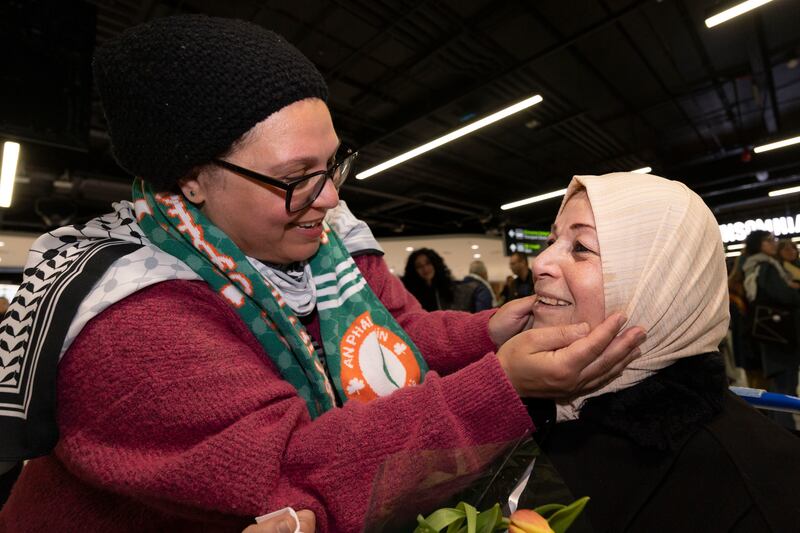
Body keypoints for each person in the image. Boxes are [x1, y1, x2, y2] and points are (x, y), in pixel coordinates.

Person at [0, 16, 645, 532]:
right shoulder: (128, 323)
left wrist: (488, 334)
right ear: (191, 179)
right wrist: (500, 388)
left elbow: (398, 332)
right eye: (294, 179)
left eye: (332, 165)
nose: (331, 200)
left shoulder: (328, 247)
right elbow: (293, 467)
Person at [515, 173, 800, 532]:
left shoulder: (758, 487)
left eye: (581, 247)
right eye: (553, 239)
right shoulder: (535, 406)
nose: (540, 262)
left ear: (661, 284)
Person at [742, 230, 800, 430]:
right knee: (785, 388)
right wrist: (794, 291)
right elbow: (783, 296)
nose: (773, 243)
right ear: (759, 244)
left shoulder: (757, 266)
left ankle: (780, 433)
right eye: (769, 240)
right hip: (780, 337)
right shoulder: (766, 266)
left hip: (771, 335)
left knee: (779, 387)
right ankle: (787, 435)